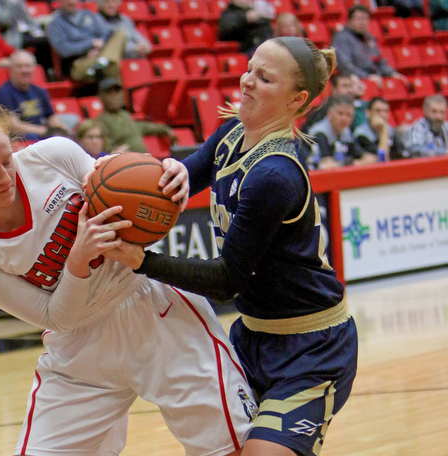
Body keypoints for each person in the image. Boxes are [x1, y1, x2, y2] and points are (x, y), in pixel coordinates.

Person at [0, 108, 257, 455]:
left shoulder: (53, 155)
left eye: (7, 160)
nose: (5, 176)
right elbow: (55, 317)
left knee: (232, 444)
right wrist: (77, 262)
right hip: (80, 344)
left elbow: (131, 197)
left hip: (149, 304)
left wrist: (167, 179)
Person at [100, 37, 358, 456]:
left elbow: (225, 280)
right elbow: (179, 180)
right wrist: (165, 171)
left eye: (265, 78)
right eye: (250, 68)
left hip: (312, 347)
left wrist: (140, 260)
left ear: (298, 99)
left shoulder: (274, 175)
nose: (248, 81)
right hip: (251, 338)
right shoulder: (229, 136)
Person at [0, 50, 76, 141]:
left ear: (34, 69)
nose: (24, 70)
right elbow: (14, 127)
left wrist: (63, 131)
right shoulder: (2, 93)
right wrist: (46, 131)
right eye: (19, 66)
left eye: (28, 66)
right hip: (21, 139)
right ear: (10, 69)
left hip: (42, 134)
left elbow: (52, 117)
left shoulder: (39, 91)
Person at [47, 0, 126, 82]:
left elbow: (106, 34)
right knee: (113, 66)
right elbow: (64, 50)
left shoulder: (89, 15)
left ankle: (103, 61)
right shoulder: (55, 24)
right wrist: (90, 44)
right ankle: (104, 62)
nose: (71, 2)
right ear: (59, 1)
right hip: (78, 63)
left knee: (120, 34)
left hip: (98, 54)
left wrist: (97, 50)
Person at [331, 5, 407, 89]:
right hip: (356, 81)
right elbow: (345, 66)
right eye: (359, 19)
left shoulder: (369, 38)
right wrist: (367, 77)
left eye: (365, 19)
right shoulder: (342, 38)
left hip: (374, 78)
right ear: (350, 20)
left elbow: (380, 60)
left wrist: (392, 73)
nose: (362, 22)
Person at [96, 77, 178, 154]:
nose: (114, 96)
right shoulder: (101, 122)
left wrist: (165, 130)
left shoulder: (125, 115)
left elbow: (142, 127)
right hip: (127, 164)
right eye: (109, 93)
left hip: (145, 160)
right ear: (101, 97)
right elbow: (107, 150)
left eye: (116, 92)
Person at [0, 0, 53, 72]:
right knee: (38, 44)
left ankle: (46, 74)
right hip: (10, 34)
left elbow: (27, 17)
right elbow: (3, 20)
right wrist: (10, 3)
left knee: (45, 41)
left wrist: (37, 31)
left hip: (27, 31)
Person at [308, 94, 375, 168]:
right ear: (330, 113)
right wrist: (354, 163)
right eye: (340, 113)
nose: (344, 119)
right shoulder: (320, 132)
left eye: (348, 115)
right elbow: (327, 164)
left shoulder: (345, 131)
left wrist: (361, 160)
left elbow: (360, 155)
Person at [354, 96, 408, 161]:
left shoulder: (391, 130)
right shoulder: (361, 134)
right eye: (378, 111)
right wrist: (383, 131)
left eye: (385, 111)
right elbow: (381, 159)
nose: (382, 114)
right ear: (368, 113)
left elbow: (400, 154)